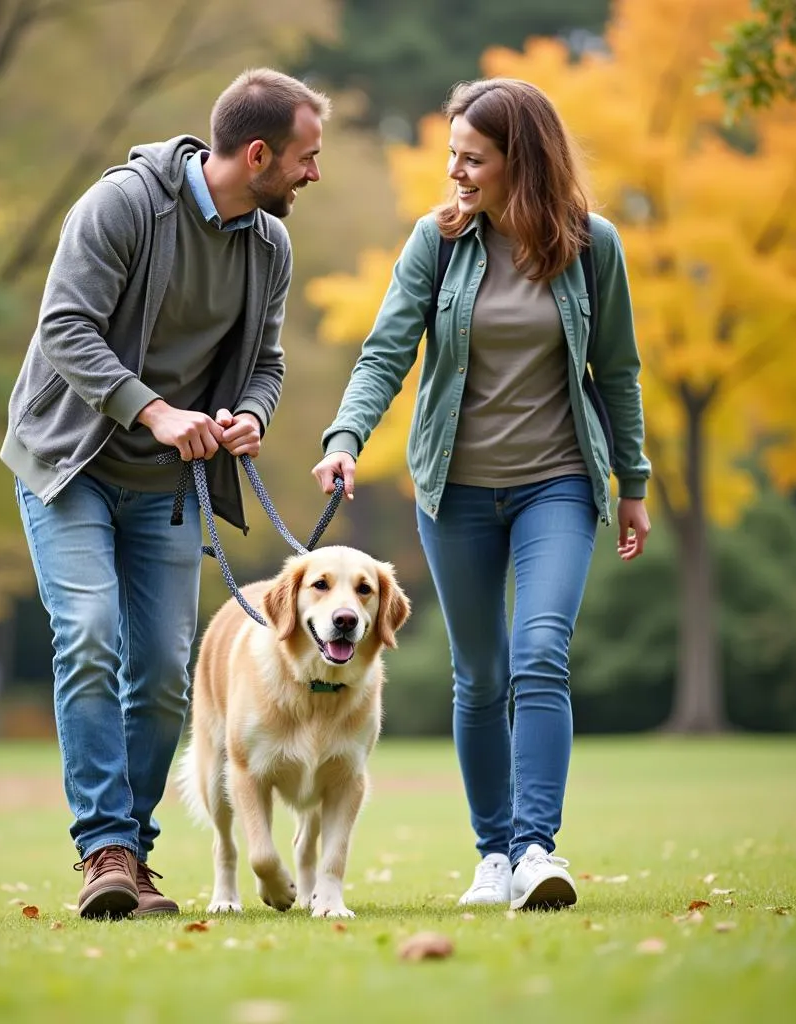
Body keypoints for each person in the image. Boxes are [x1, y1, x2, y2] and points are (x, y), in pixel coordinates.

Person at [312, 78, 650, 911]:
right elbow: (385, 351)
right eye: (453, 156)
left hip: (558, 484)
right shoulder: (437, 244)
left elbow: (617, 373)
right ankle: (492, 853)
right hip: (455, 490)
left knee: (539, 653)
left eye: (474, 158)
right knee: (480, 673)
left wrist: (632, 482)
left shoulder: (592, 247)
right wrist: (346, 437)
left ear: (521, 162)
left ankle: (536, 849)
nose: (457, 172)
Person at [2, 68, 331, 919]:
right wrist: (153, 410)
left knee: (160, 674)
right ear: (256, 154)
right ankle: (105, 848)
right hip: (69, 464)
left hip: (168, 488)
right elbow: (63, 328)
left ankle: (133, 858)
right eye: (306, 158)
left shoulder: (269, 244)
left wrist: (251, 414)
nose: (314, 174)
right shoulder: (121, 207)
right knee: (89, 635)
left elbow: (266, 361)